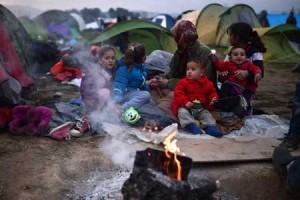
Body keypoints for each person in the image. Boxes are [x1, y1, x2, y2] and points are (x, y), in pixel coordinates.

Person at [149, 20, 216, 122]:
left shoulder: (203, 52)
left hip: (198, 94)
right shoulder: (180, 51)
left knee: (173, 98)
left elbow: (199, 84)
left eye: (177, 37)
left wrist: (169, 83)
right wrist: (160, 78)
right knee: (152, 91)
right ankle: (155, 112)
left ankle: (161, 118)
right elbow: (173, 72)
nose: (175, 40)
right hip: (181, 86)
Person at [222, 22, 267, 115]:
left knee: (239, 112)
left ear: (237, 37)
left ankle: (253, 110)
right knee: (224, 105)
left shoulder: (254, 52)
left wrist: (247, 73)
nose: (229, 37)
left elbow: (260, 72)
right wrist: (223, 73)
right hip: (232, 85)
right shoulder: (232, 52)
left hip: (247, 88)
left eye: (231, 35)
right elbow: (224, 67)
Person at [171, 59, 223, 138]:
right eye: (187, 69)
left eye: (193, 69)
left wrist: (213, 99)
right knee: (182, 113)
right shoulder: (183, 82)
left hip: (201, 108)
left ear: (201, 73)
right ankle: (192, 126)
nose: (189, 71)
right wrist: (185, 102)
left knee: (207, 115)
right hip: (187, 107)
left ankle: (210, 128)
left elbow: (212, 92)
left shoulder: (207, 83)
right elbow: (178, 93)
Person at [212, 46, 262, 118]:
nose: (239, 56)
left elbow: (256, 68)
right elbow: (219, 66)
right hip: (229, 85)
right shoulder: (228, 64)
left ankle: (221, 107)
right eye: (235, 55)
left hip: (239, 87)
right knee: (225, 89)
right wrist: (214, 59)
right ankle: (221, 107)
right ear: (230, 57)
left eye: (242, 55)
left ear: (245, 57)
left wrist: (257, 73)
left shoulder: (248, 64)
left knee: (227, 87)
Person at [80, 45, 117, 113]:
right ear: (100, 60)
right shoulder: (93, 73)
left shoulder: (113, 71)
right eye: (107, 58)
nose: (111, 60)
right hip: (94, 105)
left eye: (113, 58)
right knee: (105, 92)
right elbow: (87, 93)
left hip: (108, 101)